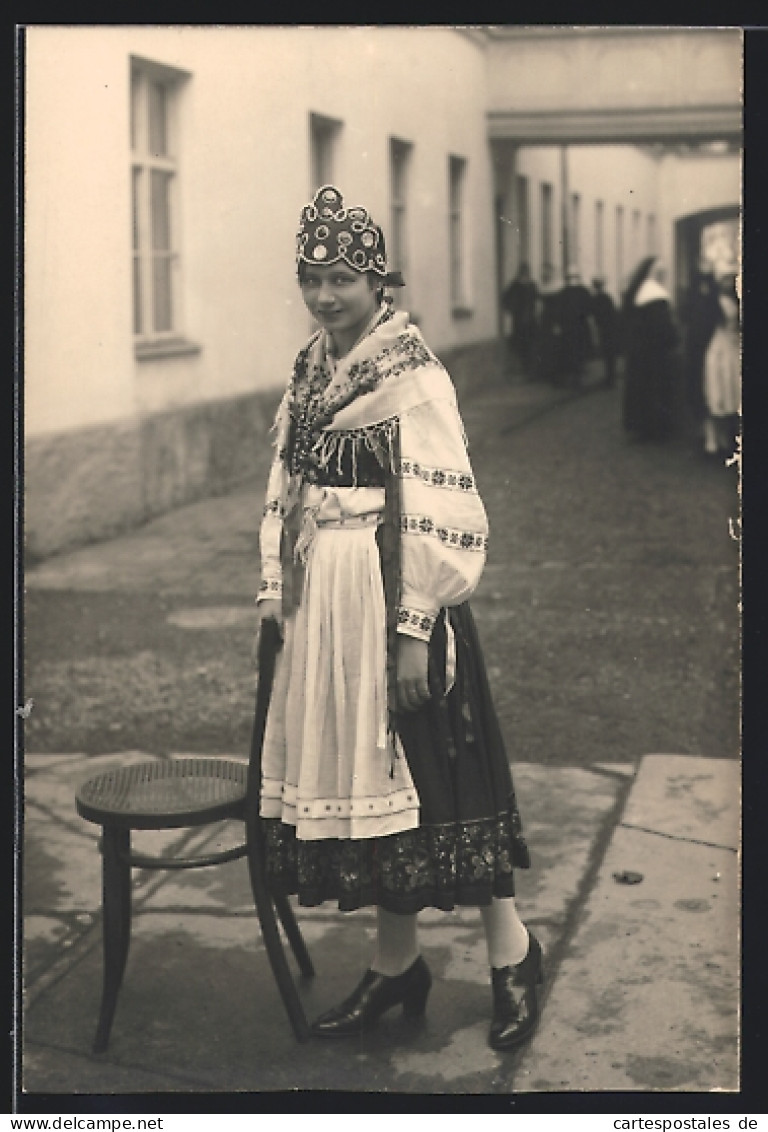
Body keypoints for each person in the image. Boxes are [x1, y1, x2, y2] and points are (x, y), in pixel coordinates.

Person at [254, 185, 540, 1051]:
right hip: (325, 608)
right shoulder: (311, 372)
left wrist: (415, 626)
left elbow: (442, 504)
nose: (324, 296)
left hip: (392, 604)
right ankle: (396, 965)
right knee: (367, 790)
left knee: (443, 785)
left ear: (379, 283)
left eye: (341, 278)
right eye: (312, 279)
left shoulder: (411, 374)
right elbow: (286, 483)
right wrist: (275, 581)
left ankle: (513, 956)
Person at [621, 256, 681, 442]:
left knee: (641, 390)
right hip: (655, 354)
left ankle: (643, 427)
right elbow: (663, 328)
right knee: (656, 390)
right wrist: (673, 338)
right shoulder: (656, 296)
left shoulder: (638, 292)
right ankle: (656, 429)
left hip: (639, 353)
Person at [680, 256, 721, 445]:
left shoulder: (716, 290)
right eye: (702, 263)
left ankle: (716, 430)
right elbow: (685, 313)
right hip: (696, 344)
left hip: (714, 342)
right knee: (698, 383)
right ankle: (702, 427)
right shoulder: (692, 290)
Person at [702, 272, 740, 462]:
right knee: (717, 392)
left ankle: (725, 437)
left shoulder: (736, 301)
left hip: (733, 348)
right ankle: (712, 438)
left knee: (731, 393)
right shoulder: (712, 302)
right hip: (718, 349)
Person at [557, 267, 594, 388]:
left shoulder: (563, 292)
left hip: (568, 327)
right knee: (579, 352)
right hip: (580, 327)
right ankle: (577, 378)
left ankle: (571, 378)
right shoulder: (583, 291)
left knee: (570, 352)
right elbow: (589, 309)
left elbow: (559, 311)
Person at [501, 262, 539, 377]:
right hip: (519, 322)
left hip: (531, 322)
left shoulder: (532, 285)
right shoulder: (515, 286)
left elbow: (537, 300)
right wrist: (513, 310)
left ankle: (530, 371)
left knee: (531, 347)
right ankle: (523, 371)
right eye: (524, 272)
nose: (526, 275)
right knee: (520, 347)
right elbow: (506, 300)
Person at [533, 262, 563, 383]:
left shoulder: (558, 287)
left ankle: (555, 374)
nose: (545, 274)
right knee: (544, 346)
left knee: (554, 347)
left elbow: (560, 307)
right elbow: (538, 304)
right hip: (545, 320)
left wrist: (558, 323)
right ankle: (545, 373)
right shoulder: (541, 286)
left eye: (547, 271)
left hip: (554, 320)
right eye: (543, 271)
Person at [590, 277, 620, 388]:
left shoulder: (596, 298)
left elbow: (594, 313)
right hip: (610, 328)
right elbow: (613, 312)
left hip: (604, 329)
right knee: (610, 354)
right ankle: (611, 377)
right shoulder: (607, 297)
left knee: (608, 354)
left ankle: (610, 379)